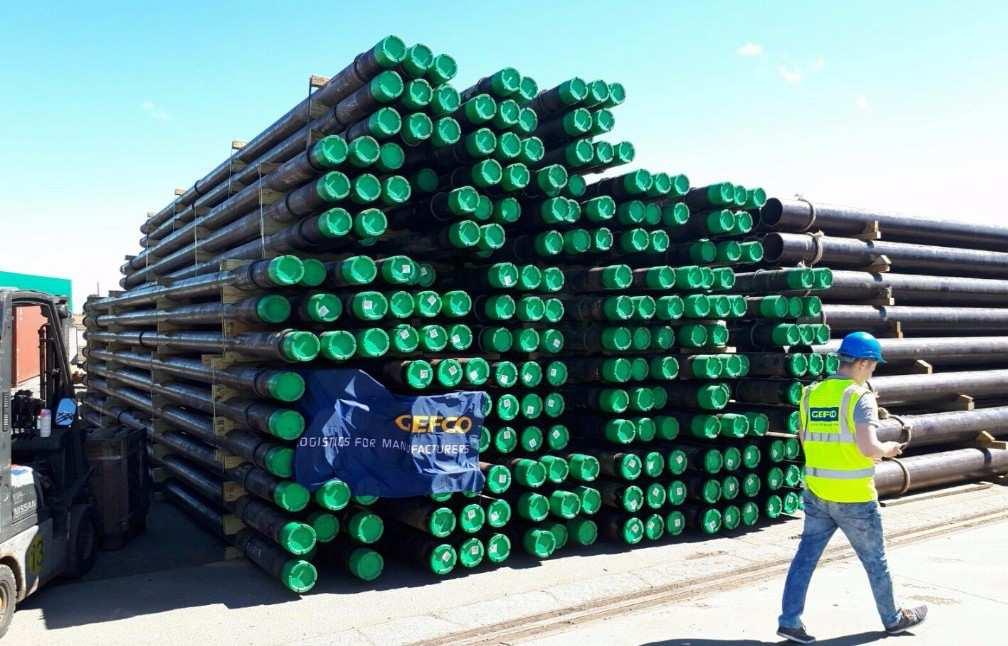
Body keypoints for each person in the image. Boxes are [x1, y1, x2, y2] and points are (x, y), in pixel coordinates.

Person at [776, 331, 927, 643]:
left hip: (817, 492)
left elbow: (805, 440)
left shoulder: (811, 393)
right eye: (872, 366)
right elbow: (868, 446)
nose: (872, 372)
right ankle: (893, 619)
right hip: (854, 497)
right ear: (861, 362)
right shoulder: (860, 396)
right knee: (876, 562)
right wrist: (889, 448)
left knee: (805, 558)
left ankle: (789, 621)